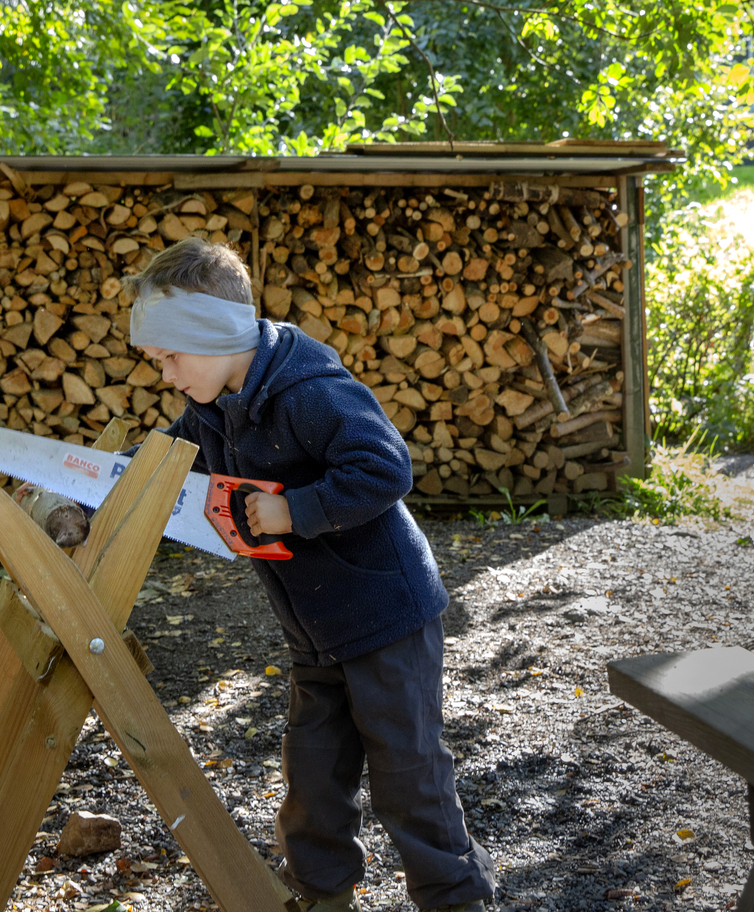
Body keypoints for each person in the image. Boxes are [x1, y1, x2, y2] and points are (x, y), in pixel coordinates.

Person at [126, 237, 495, 912]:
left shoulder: (307, 390)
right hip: (316, 631)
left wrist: (292, 511)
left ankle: (456, 899)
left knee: (408, 773)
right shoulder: (214, 409)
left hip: (385, 617)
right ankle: (324, 895)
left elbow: (386, 466)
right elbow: (161, 462)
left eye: (170, 357)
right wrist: (91, 489)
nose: (166, 374)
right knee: (314, 776)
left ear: (213, 336)